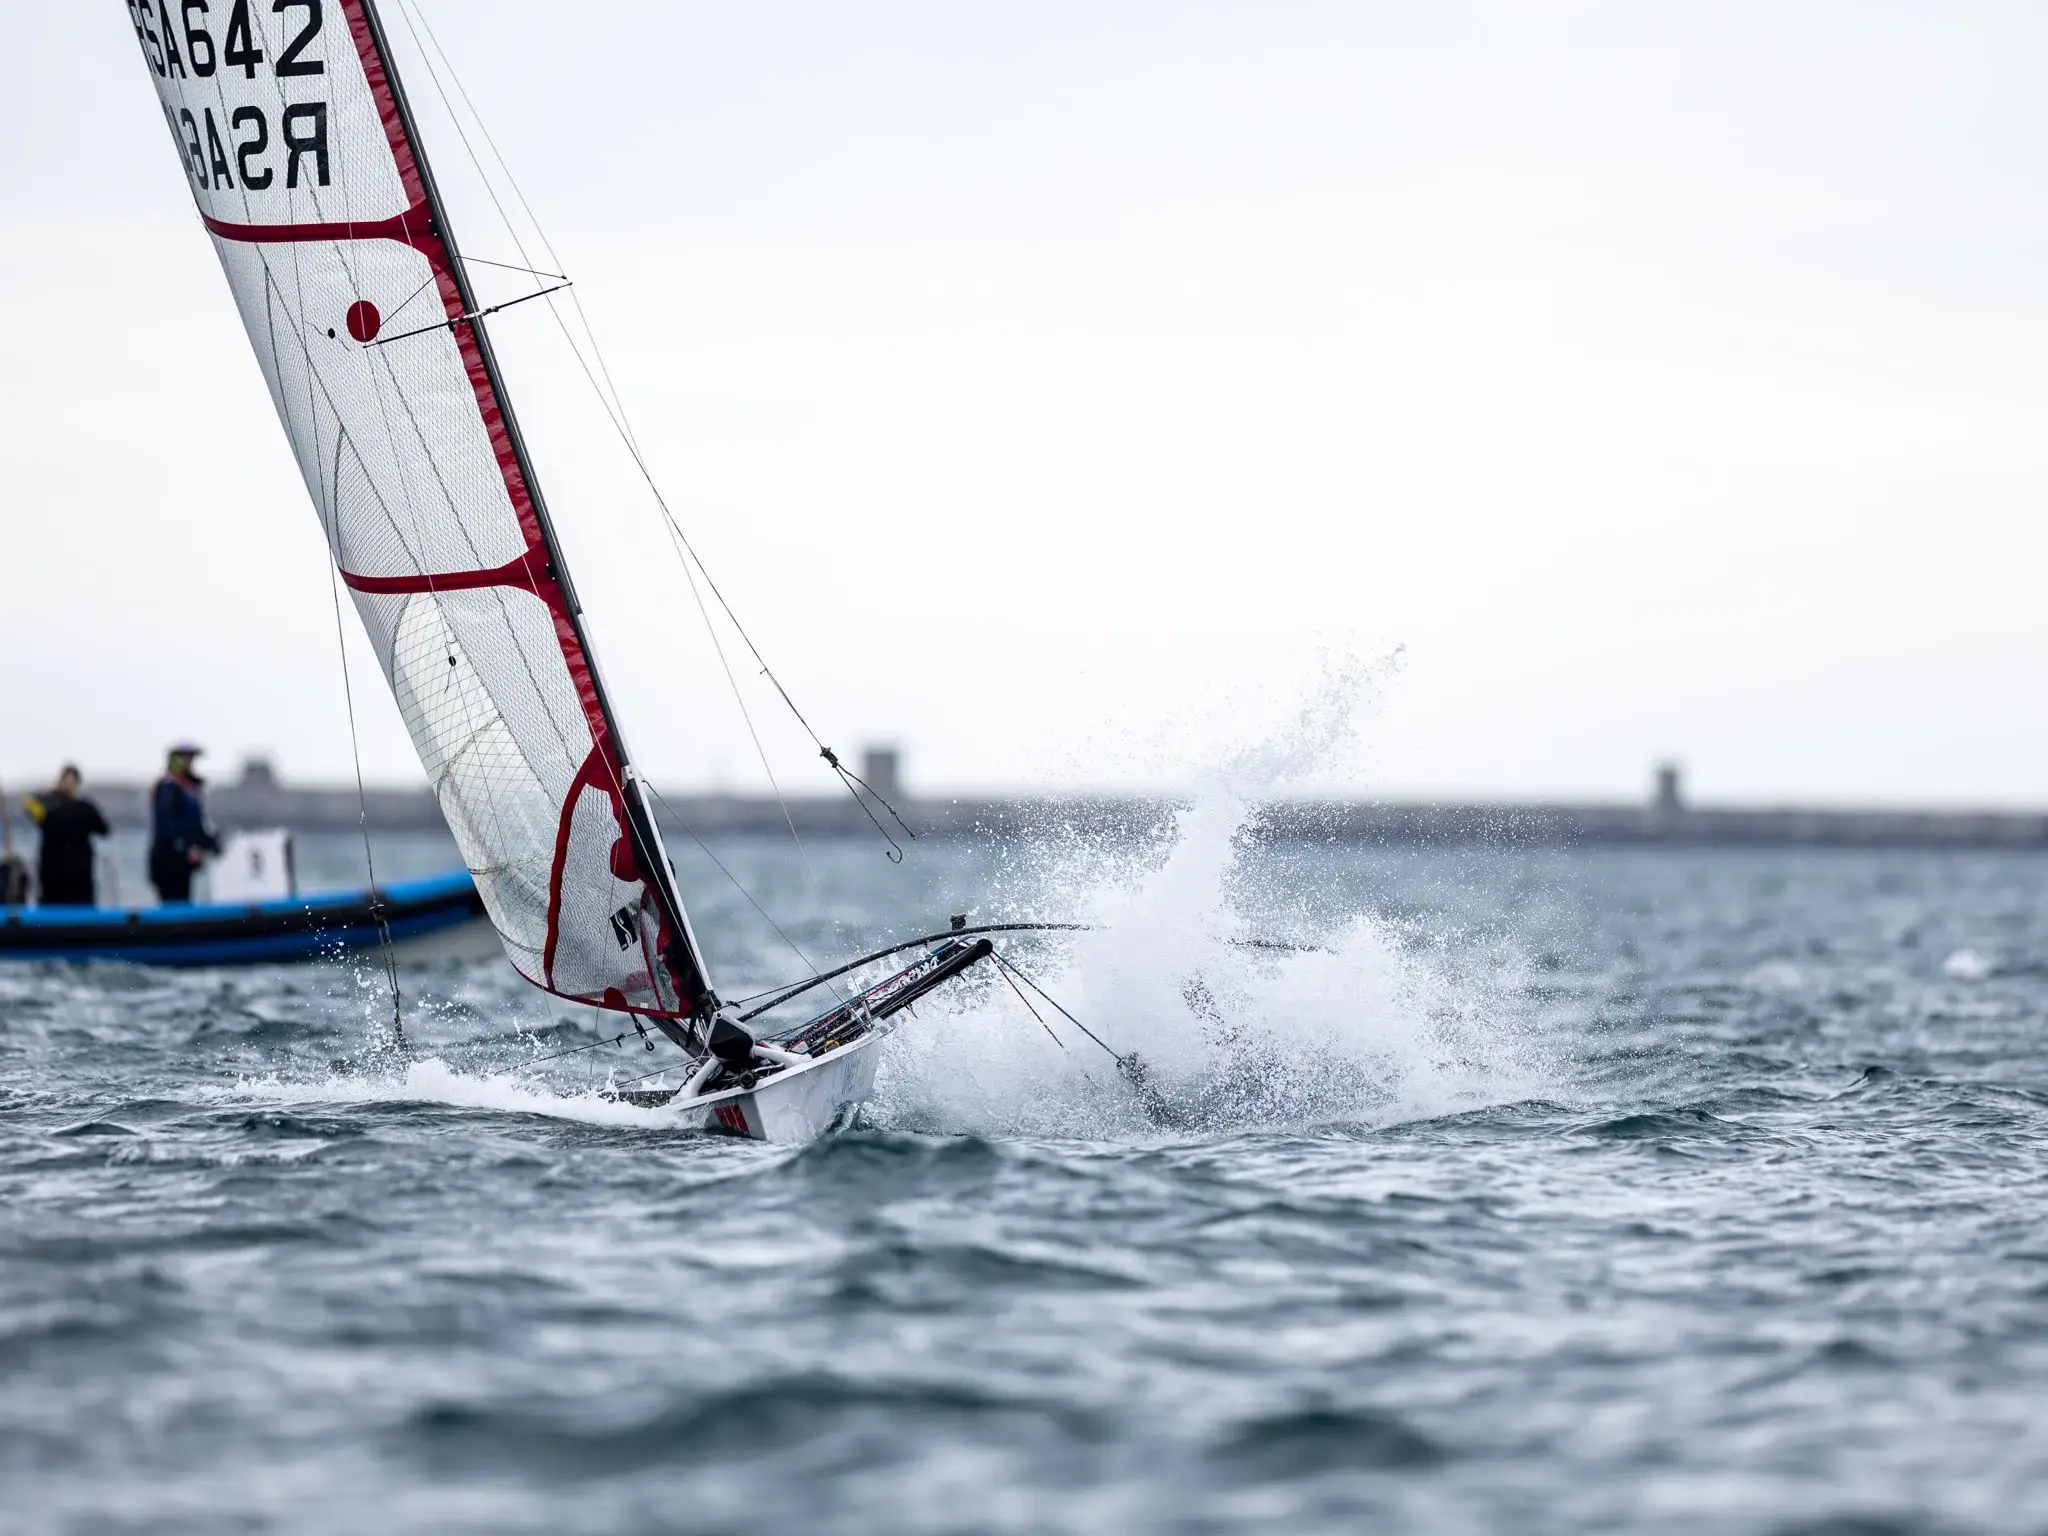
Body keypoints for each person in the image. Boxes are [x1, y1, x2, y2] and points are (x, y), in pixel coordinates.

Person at [21, 766, 111, 907]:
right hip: (68, 875)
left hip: (62, 875)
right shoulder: (81, 808)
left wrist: (49, 794)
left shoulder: (50, 807)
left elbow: (104, 830)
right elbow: (104, 830)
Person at [149, 744, 219, 904]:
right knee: (172, 901)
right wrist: (187, 847)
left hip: (183, 863)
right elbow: (168, 824)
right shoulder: (167, 788)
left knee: (183, 898)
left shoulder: (190, 790)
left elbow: (196, 824)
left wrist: (208, 843)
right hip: (168, 860)